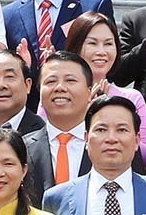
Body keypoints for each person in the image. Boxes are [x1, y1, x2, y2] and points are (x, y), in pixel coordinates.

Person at [63, 11, 146, 165]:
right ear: (76, 47)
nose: (101, 52)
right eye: (92, 43)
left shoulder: (132, 98)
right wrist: (82, 115)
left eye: (108, 44)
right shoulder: (60, 94)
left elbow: (145, 156)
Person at [22, 51, 93, 202]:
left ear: (89, 92)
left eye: (70, 80)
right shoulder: (22, 148)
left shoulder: (110, 144)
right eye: (51, 81)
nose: (60, 87)